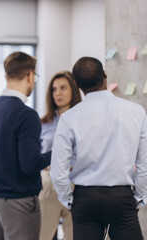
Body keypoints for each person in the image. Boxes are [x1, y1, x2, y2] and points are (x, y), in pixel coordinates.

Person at [50, 57, 147, 240]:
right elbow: (145, 164)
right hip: (122, 196)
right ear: (104, 75)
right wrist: (139, 197)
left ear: (76, 84)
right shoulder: (136, 111)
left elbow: (58, 171)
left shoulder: (69, 118)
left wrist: (69, 200)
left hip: (85, 199)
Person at [0, 51, 51, 240]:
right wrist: (55, 153)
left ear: (6, 75)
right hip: (17, 200)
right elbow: (29, 164)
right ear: (29, 76)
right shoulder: (26, 114)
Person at [39, 71, 81, 240]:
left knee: (73, 236)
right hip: (50, 183)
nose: (58, 93)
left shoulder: (83, 120)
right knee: (42, 236)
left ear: (73, 89)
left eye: (63, 88)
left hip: (76, 184)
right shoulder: (43, 123)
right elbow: (37, 155)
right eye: (54, 89)